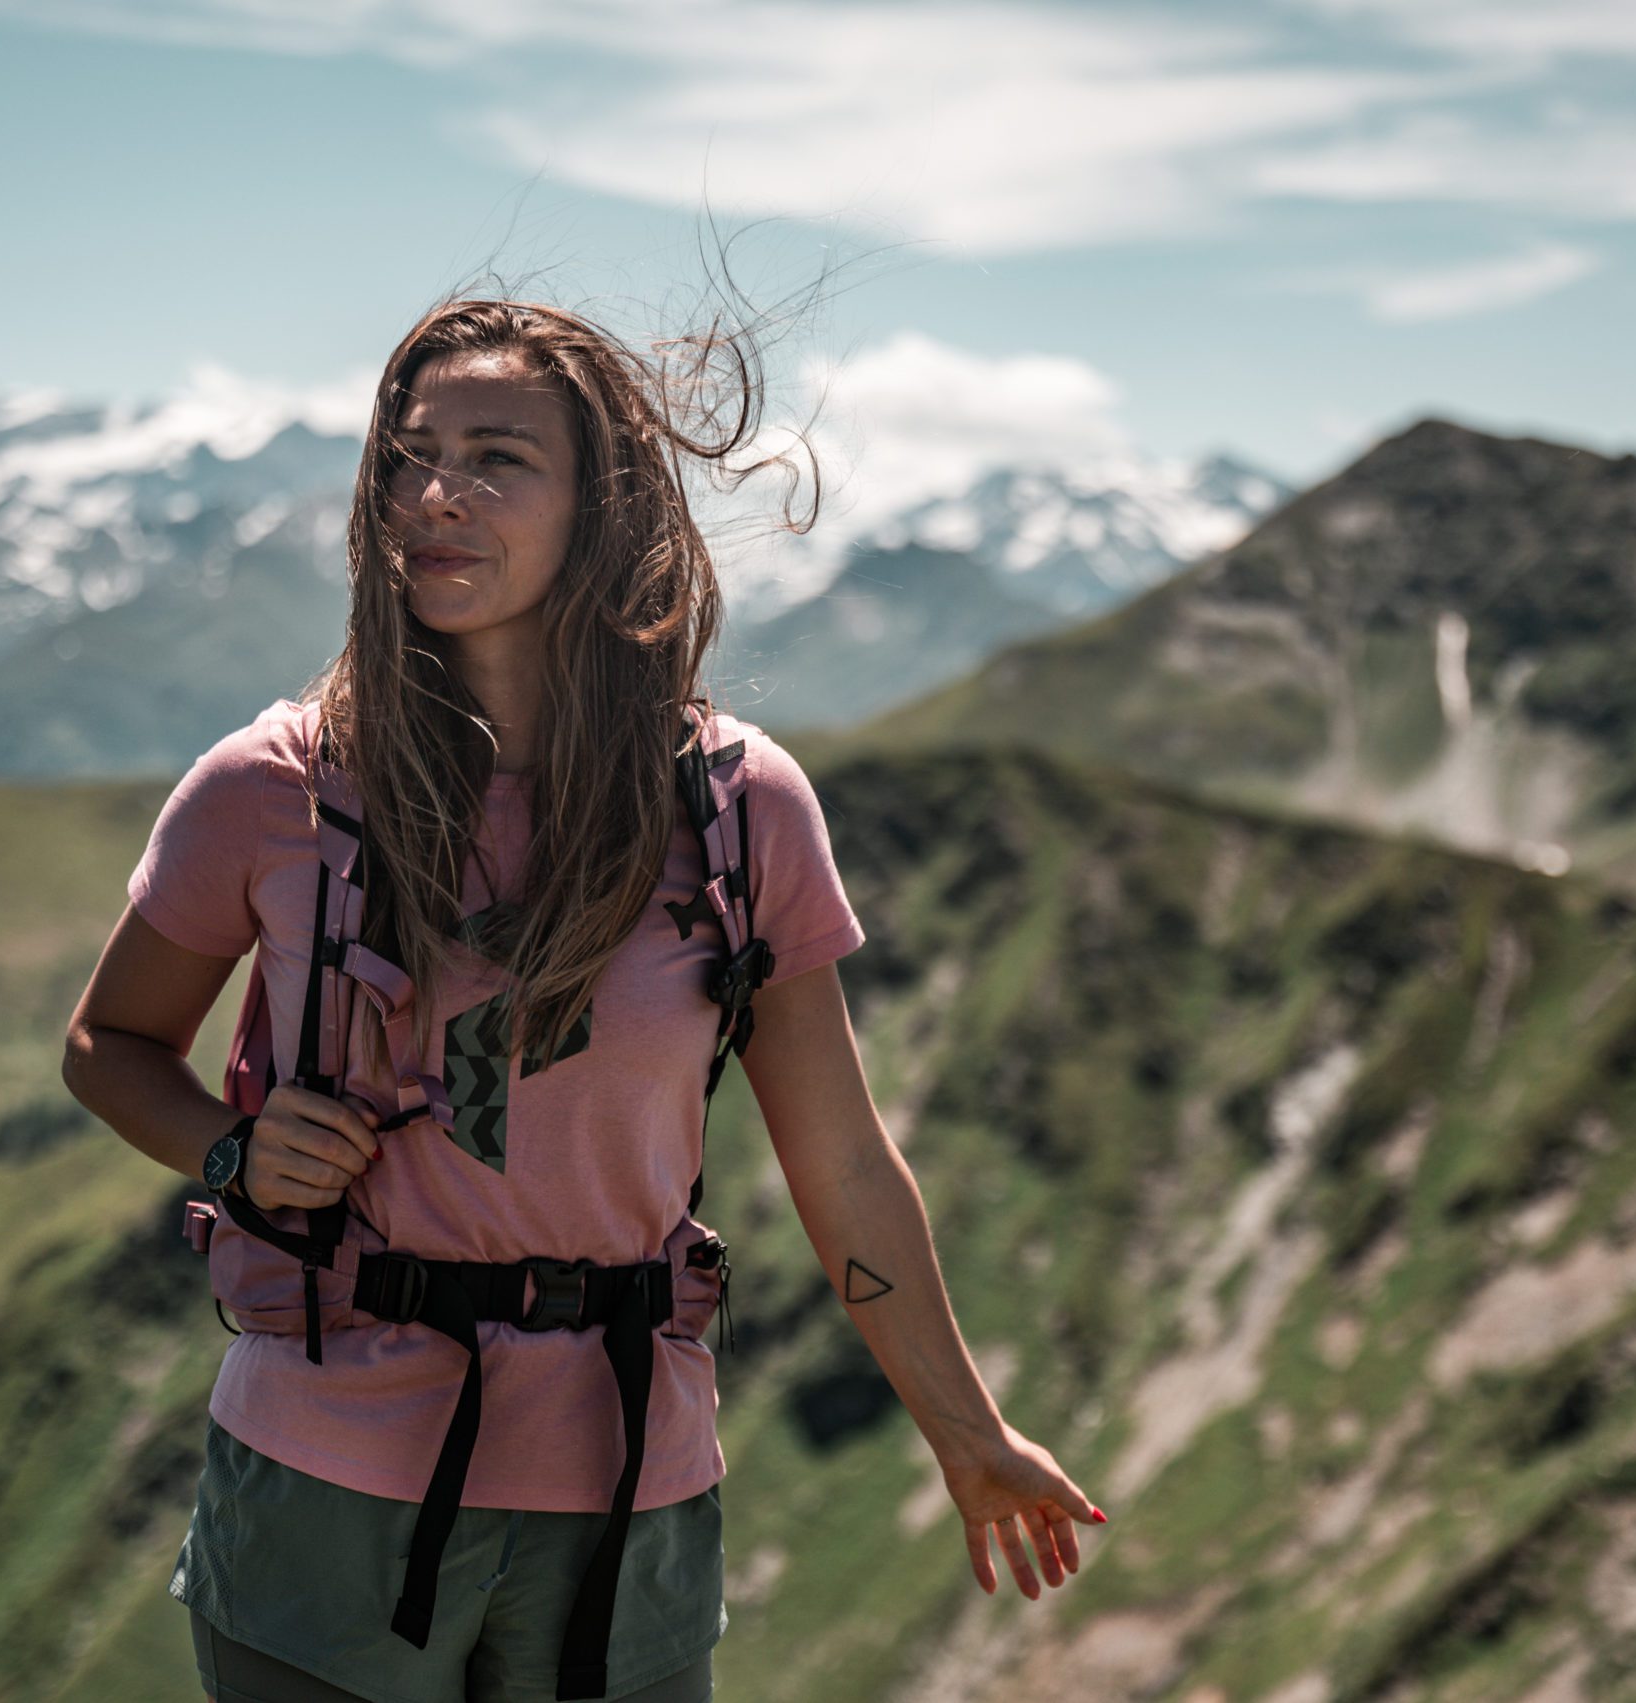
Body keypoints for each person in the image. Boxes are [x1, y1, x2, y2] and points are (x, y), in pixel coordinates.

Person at [61, 294, 1106, 1703]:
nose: (433, 497)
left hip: (627, 1501)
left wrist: (968, 1433)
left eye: (497, 458)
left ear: (603, 507)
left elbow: (844, 1160)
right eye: (406, 457)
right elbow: (109, 1045)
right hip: (322, 1484)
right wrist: (232, 1152)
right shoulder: (275, 787)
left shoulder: (738, 811)